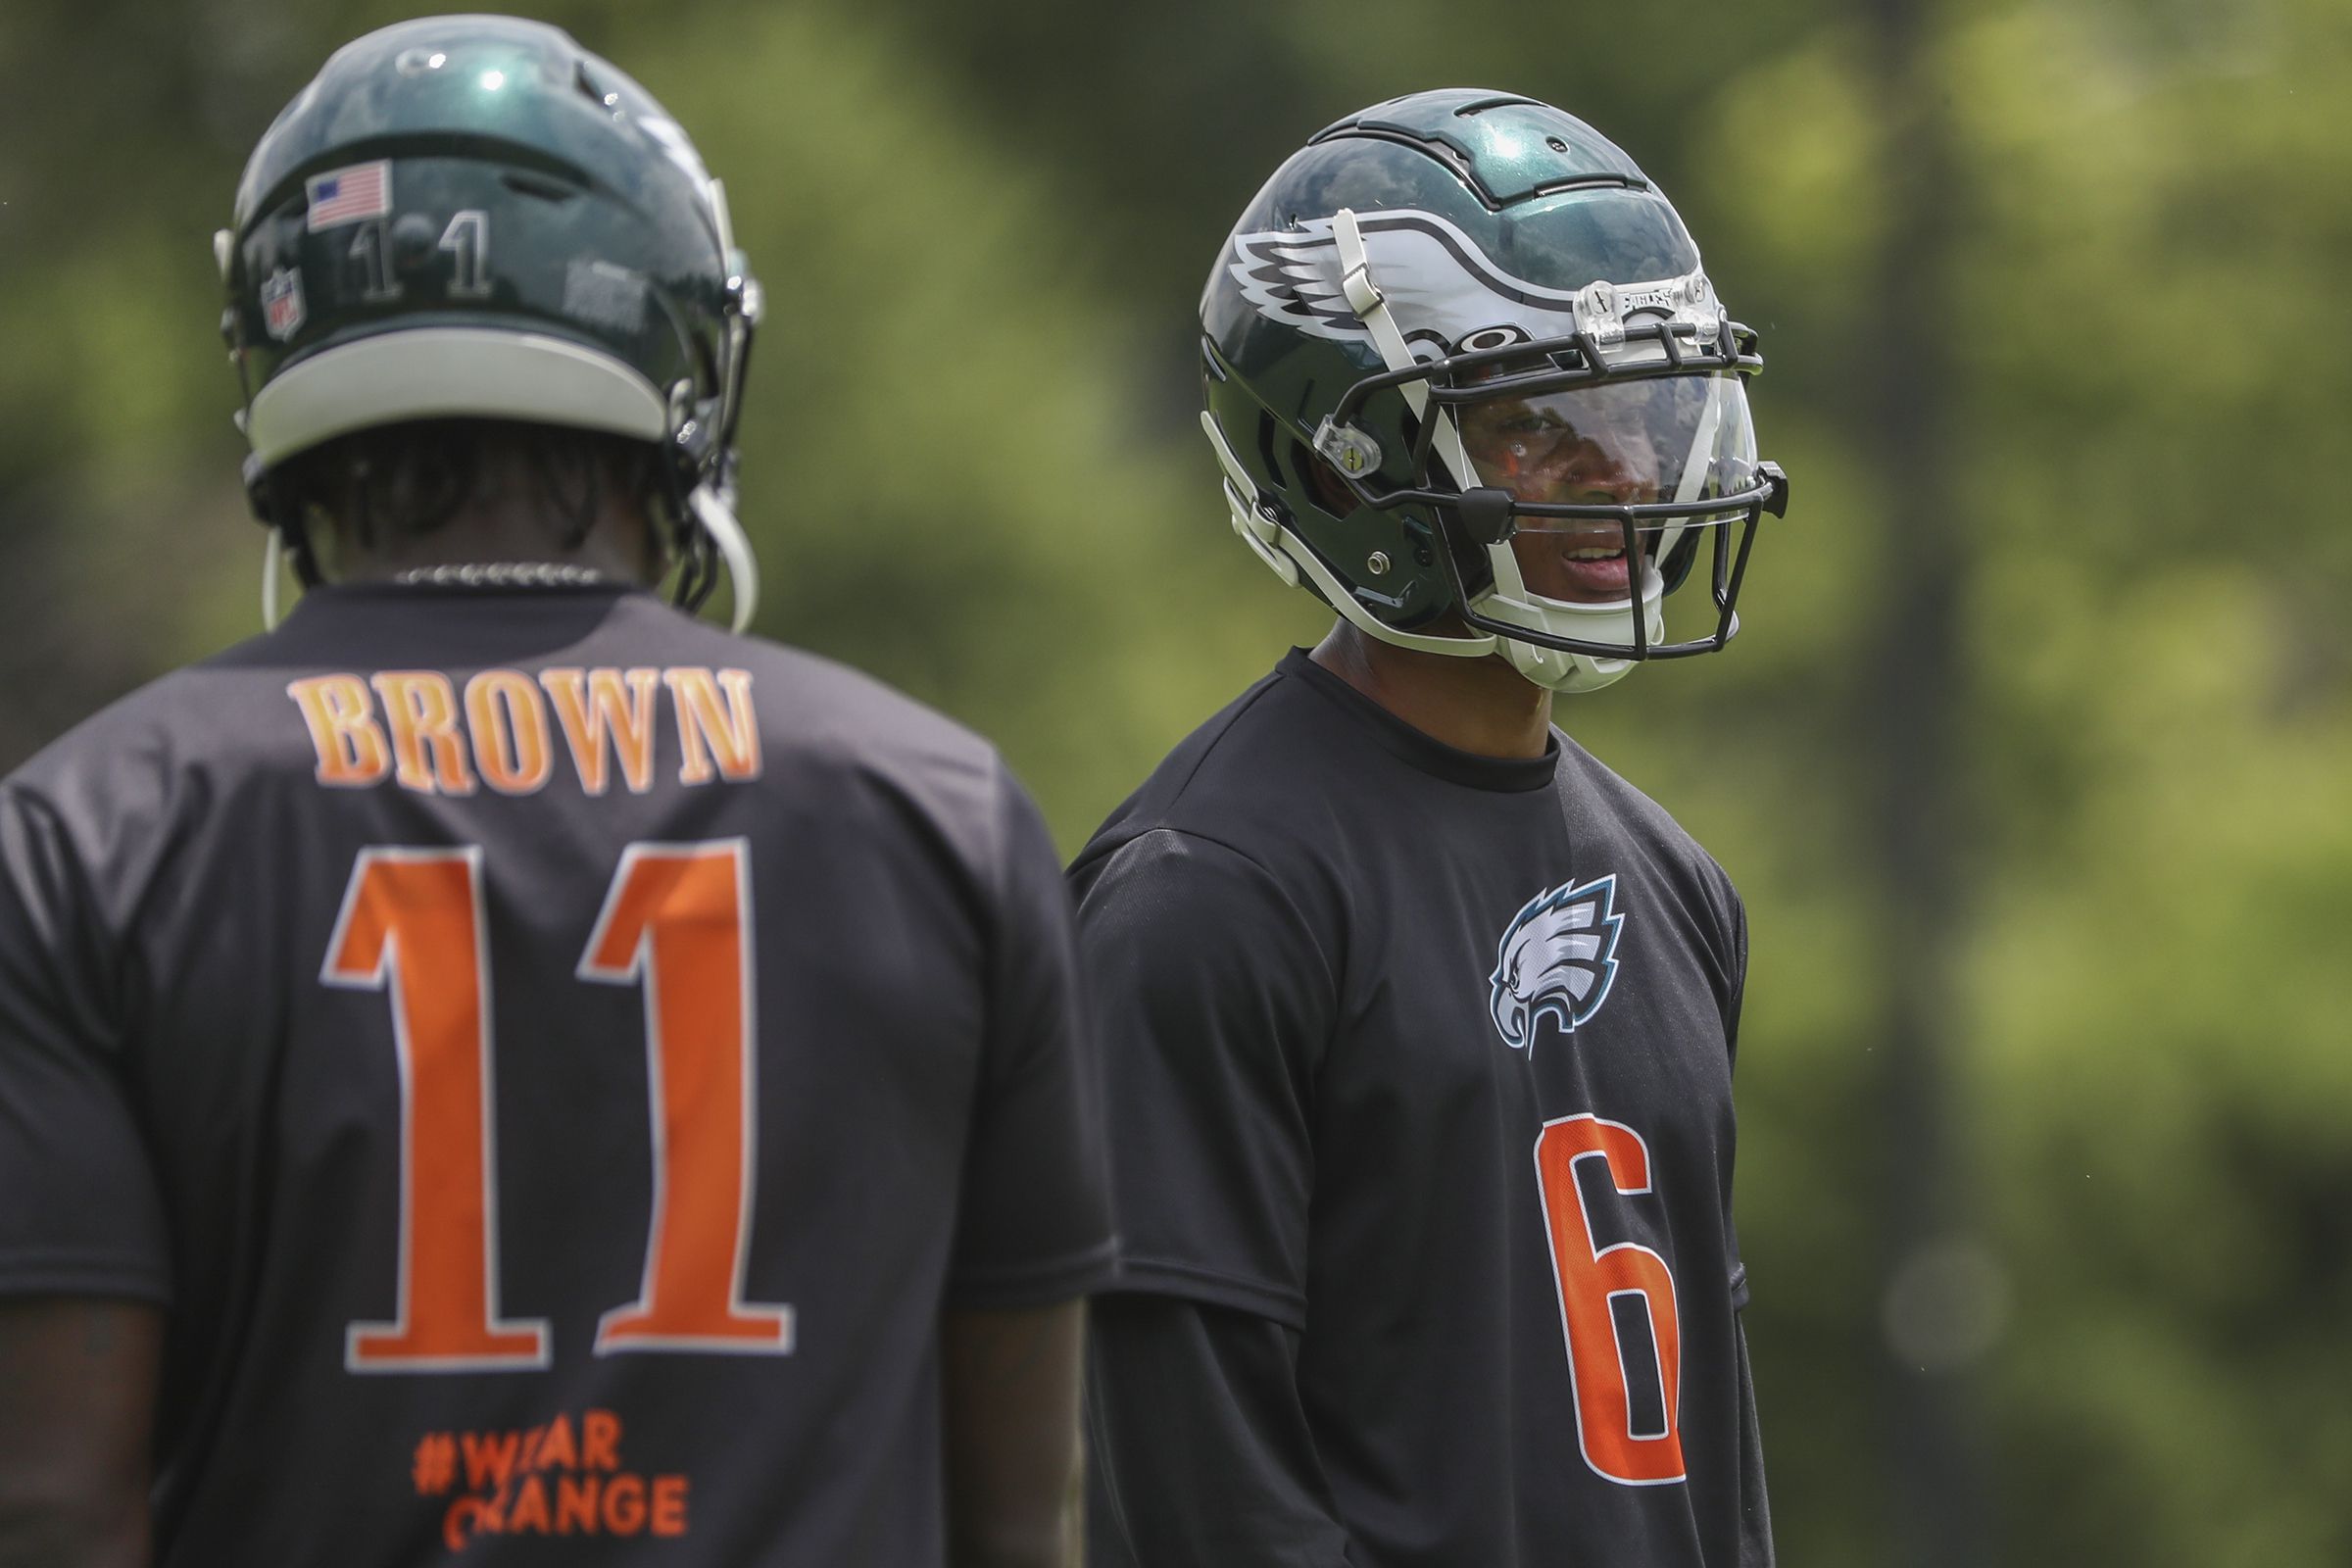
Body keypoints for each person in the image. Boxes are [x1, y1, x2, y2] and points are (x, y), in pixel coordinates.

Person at [0, 18, 1111, 1567]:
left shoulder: (91, 828)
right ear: (668, 343)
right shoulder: (937, 806)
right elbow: (1017, 1508)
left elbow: (53, 1502)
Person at [1076, 89, 1790, 1567]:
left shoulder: (1678, 887)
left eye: (1645, 411)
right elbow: (1201, 1492)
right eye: (1542, 425)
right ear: (1344, 462)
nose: (1626, 474)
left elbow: (1710, 1466)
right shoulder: (1210, 896)